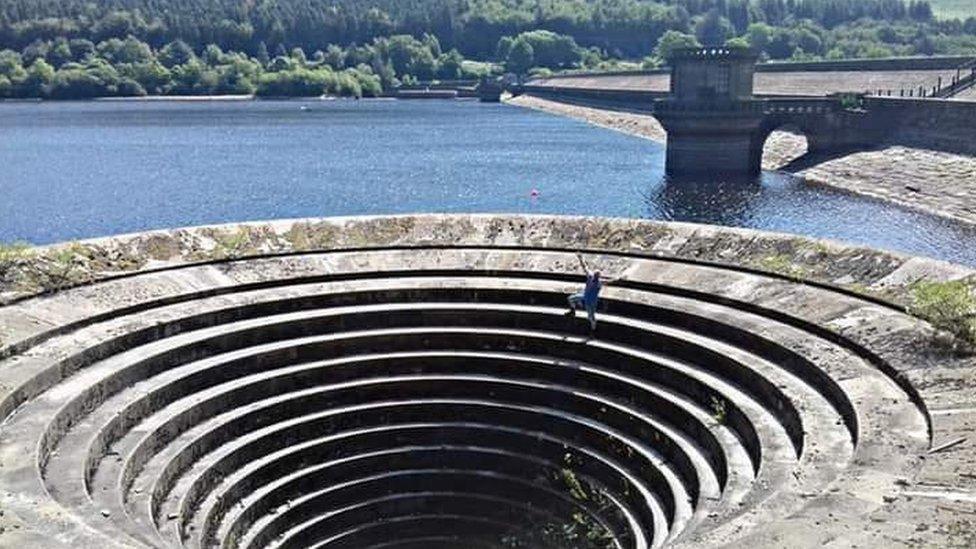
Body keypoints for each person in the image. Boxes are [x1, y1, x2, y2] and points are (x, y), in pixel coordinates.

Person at [565, 252, 622, 330]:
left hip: (591, 301)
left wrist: (619, 279)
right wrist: (580, 258)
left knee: (591, 317)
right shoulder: (592, 278)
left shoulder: (598, 282)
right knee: (570, 299)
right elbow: (585, 267)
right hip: (585, 296)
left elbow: (610, 281)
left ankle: (593, 330)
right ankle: (573, 311)